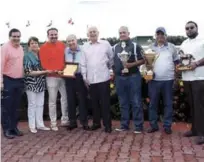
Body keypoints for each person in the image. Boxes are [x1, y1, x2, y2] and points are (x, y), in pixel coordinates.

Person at [80, 26, 114, 133]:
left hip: (103, 78)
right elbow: (83, 63)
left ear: (98, 33)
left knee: (105, 103)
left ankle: (107, 125)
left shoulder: (105, 44)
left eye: (94, 31)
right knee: (94, 103)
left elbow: (111, 58)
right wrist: (84, 77)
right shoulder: (84, 46)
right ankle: (96, 123)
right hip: (91, 79)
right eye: (90, 32)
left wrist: (109, 70)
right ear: (87, 34)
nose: (92, 34)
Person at [147, 27, 180, 134]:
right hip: (154, 80)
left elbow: (177, 63)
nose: (160, 36)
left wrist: (176, 78)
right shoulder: (151, 48)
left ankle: (167, 126)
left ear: (166, 35)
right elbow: (147, 64)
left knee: (168, 104)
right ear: (155, 36)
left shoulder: (172, 47)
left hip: (168, 80)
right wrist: (147, 74)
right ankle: (153, 125)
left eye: (162, 34)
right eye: (158, 34)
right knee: (152, 104)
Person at [113, 26, 145, 133]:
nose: (122, 34)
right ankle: (124, 125)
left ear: (128, 33)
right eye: (120, 32)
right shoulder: (115, 47)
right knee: (122, 102)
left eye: (124, 32)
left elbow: (144, 60)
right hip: (119, 78)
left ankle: (138, 126)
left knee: (136, 101)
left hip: (133, 77)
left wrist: (131, 64)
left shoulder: (136, 46)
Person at [39, 28, 68, 131]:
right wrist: (54, 71)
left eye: (55, 34)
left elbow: (66, 59)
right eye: (51, 35)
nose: (54, 36)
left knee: (65, 99)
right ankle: (53, 122)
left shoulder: (62, 45)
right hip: (51, 77)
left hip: (63, 76)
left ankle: (65, 120)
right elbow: (43, 64)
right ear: (48, 35)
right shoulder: (43, 48)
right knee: (52, 101)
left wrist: (64, 70)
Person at [181, 21, 204, 145]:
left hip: (200, 77)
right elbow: (183, 59)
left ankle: (201, 133)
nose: (189, 30)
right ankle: (194, 130)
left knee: (200, 106)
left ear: (196, 28)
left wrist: (197, 63)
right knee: (192, 105)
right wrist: (180, 65)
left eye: (191, 27)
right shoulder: (184, 43)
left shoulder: (202, 41)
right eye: (187, 28)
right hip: (187, 77)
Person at [24, 37, 52, 133]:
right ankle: (32, 126)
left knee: (40, 104)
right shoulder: (27, 56)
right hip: (31, 83)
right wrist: (44, 72)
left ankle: (40, 124)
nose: (34, 45)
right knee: (32, 105)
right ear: (29, 45)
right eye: (32, 43)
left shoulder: (41, 55)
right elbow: (28, 72)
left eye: (36, 43)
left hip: (41, 83)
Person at [1, 28, 24, 139]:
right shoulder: (4, 48)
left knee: (16, 106)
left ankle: (14, 128)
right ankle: (7, 130)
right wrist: (1, 82)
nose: (16, 38)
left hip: (19, 80)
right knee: (7, 107)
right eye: (14, 36)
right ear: (10, 37)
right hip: (8, 80)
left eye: (18, 36)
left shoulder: (20, 48)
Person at [64, 34, 90, 130]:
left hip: (80, 76)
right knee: (70, 100)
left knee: (82, 99)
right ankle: (72, 122)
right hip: (69, 77)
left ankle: (84, 122)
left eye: (72, 40)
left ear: (76, 40)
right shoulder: (65, 51)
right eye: (69, 41)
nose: (71, 43)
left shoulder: (83, 50)